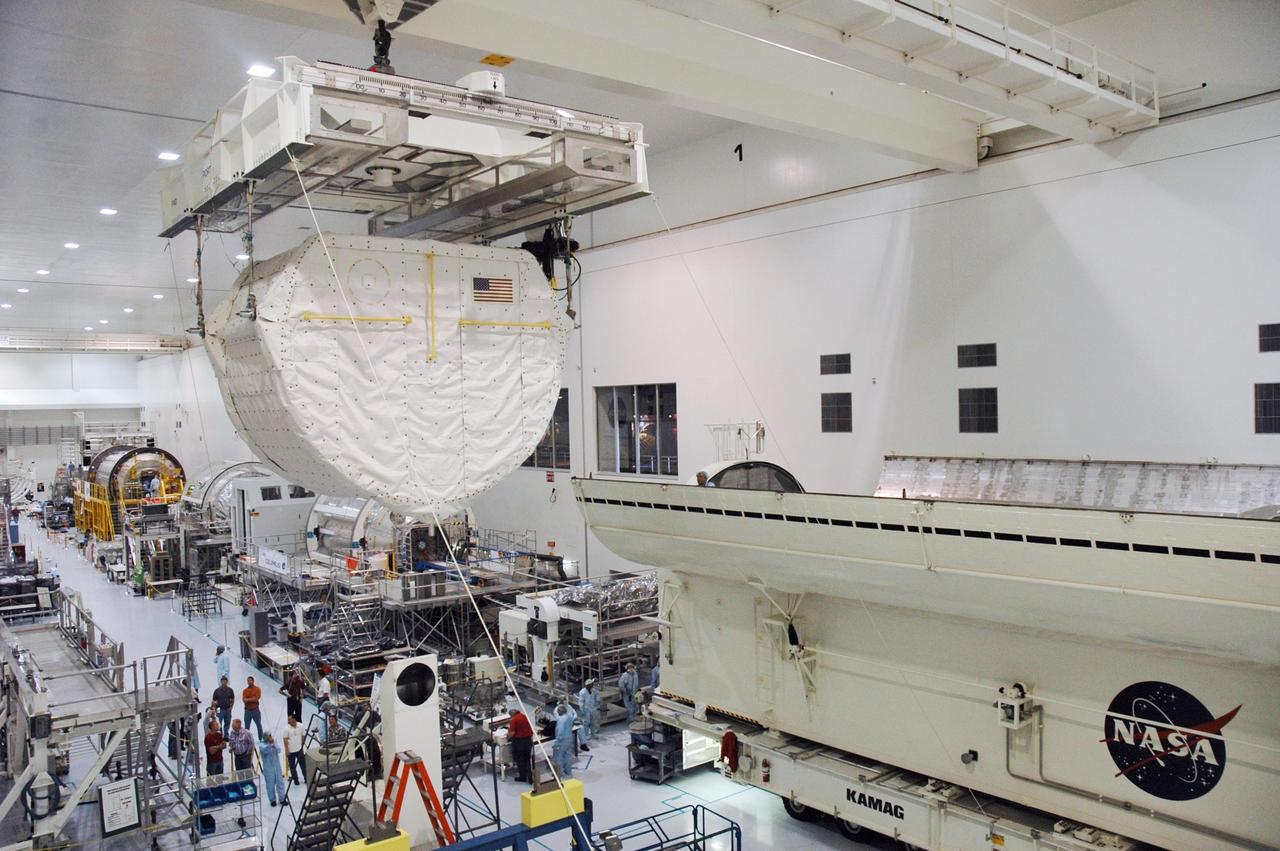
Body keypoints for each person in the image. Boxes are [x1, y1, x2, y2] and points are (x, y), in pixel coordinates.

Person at [258, 733, 287, 806]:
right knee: (270, 784)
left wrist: (274, 744)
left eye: (271, 735)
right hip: (268, 768)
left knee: (280, 782)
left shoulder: (274, 741)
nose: (271, 737)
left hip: (277, 766)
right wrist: (270, 745)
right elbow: (265, 750)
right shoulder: (262, 745)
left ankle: (282, 798)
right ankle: (272, 800)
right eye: (269, 736)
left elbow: (279, 750)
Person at [507, 709, 534, 783]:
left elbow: (512, 733)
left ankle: (523, 777)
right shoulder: (524, 716)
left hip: (520, 743)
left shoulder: (514, 720)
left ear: (512, 715)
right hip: (528, 741)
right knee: (527, 759)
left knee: (520, 760)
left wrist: (507, 737)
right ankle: (530, 777)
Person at [575, 681, 600, 751]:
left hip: (593, 709)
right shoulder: (582, 692)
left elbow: (597, 695)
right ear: (587, 685)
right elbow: (581, 701)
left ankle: (593, 733)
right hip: (586, 710)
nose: (592, 685)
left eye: (592, 684)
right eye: (590, 684)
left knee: (593, 722)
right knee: (586, 723)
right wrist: (582, 710)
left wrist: (597, 703)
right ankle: (586, 735)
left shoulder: (593, 690)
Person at [552, 704, 575, 779]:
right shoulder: (569, 717)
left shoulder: (561, 720)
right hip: (569, 738)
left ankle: (560, 772)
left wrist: (557, 742)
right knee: (567, 755)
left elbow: (560, 731)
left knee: (558, 756)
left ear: (560, 712)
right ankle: (568, 770)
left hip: (562, 740)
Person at [282, 715, 306, 785]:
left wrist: (302, 744)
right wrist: (287, 750)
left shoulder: (301, 726)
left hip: (299, 750)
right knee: (292, 767)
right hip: (291, 751)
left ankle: (306, 778)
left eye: (290, 719)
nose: (288, 721)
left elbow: (303, 735)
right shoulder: (286, 729)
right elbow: (285, 740)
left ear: (294, 719)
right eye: (288, 719)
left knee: (303, 765)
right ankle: (296, 780)